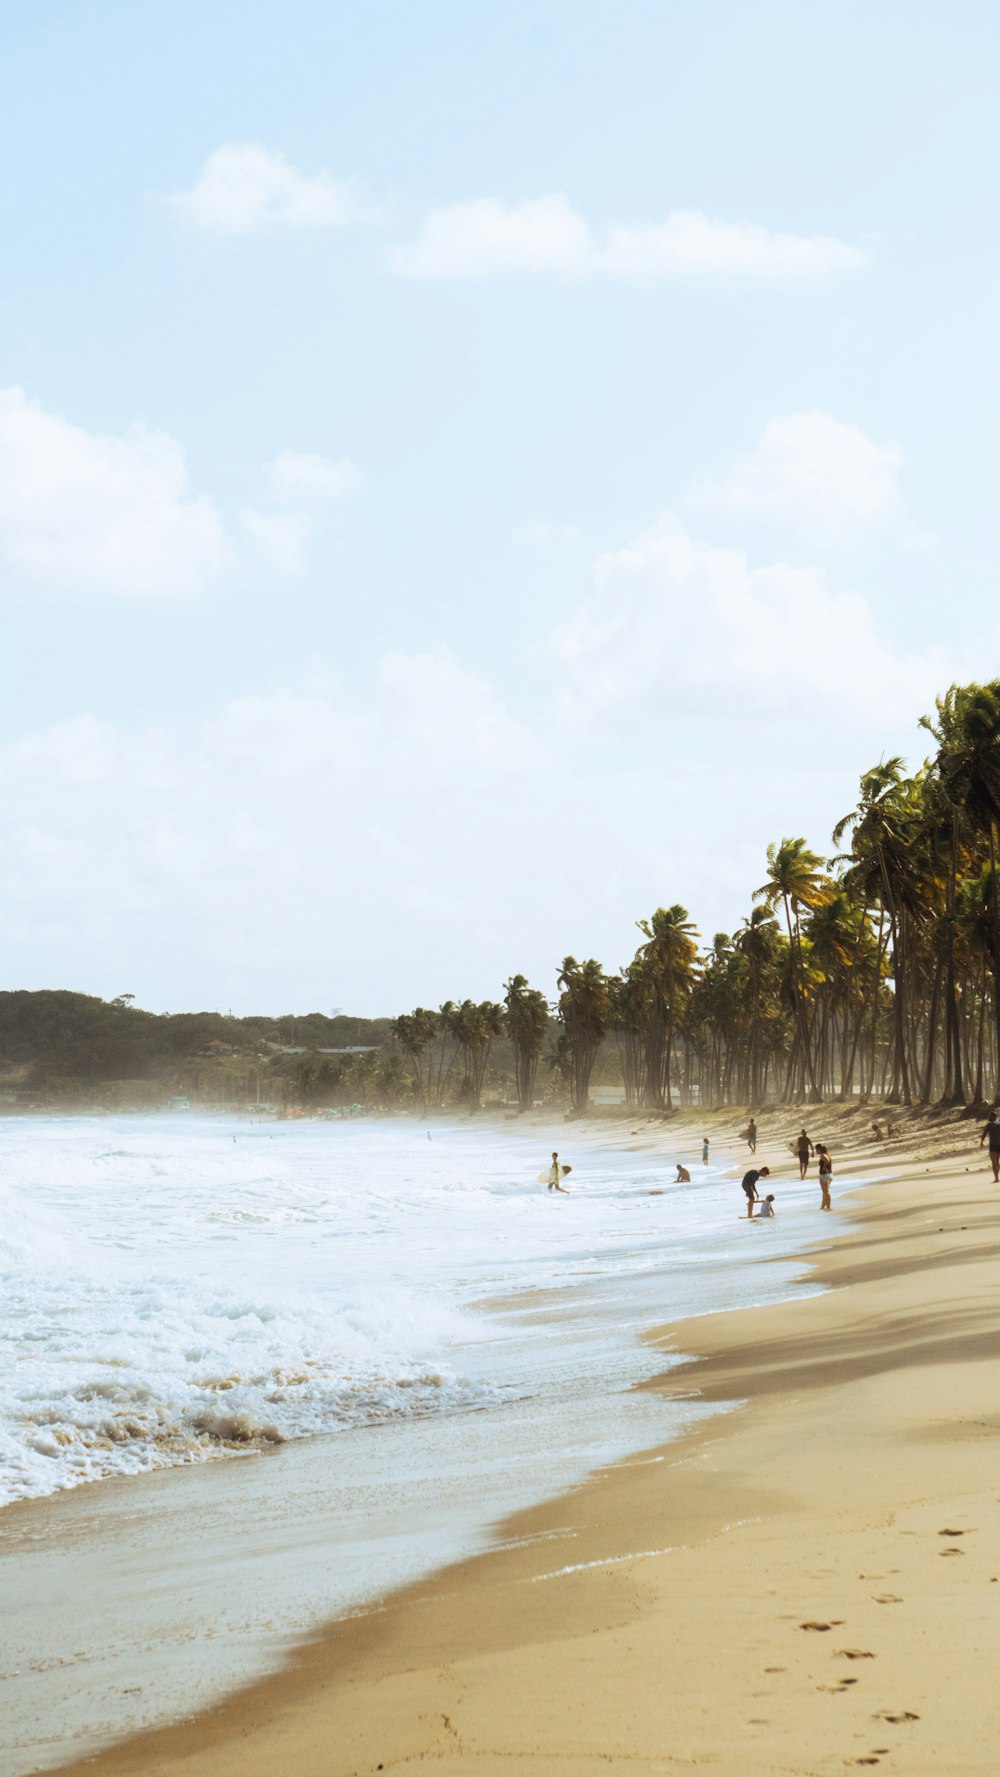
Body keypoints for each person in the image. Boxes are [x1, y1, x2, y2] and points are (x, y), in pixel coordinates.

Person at [979, 1110, 1000, 1182]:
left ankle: (997, 1178)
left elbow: (984, 1133)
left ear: (991, 1117)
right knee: (997, 1162)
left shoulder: (989, 1125)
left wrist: (981, 1142)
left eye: (990, 1116)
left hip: (993, 1145)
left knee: (994, 1163)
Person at [816, 1144, 833, 1210]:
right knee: (825, 1192)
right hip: (830, 1174)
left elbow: (827, 1161)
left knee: (826, 1192)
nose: (816, 1151)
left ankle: (828, 1207)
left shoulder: (823, 1155)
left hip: (824, 1175)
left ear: (819, 1149)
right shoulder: (828, 1154)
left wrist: (823, 1167)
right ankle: (822, 1207)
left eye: (816, 1149)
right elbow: (828, 1161)